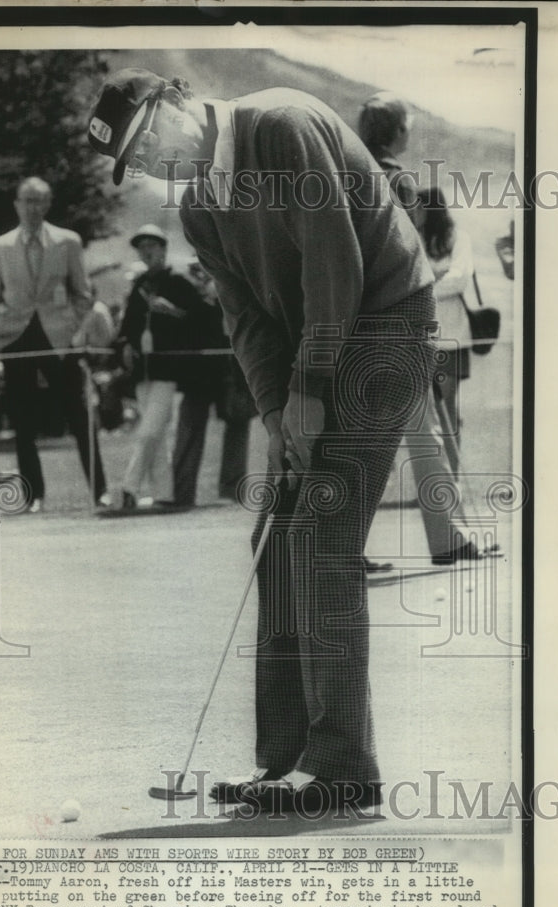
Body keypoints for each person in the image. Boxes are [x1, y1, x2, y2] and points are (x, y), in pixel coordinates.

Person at [89, 69, 438, 814]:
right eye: (134, 160)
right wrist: (278, 409)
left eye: (148, 139)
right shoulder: (201, 207)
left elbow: (333, 260)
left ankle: (343, 766)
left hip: (384, 329)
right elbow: (244, 317)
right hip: (314, 350)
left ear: (178, 101)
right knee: (277, 544)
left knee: (321, 540)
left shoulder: (279, 123)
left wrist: (310, 384)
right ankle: (288, 763)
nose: (150, 162)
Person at [359, 92, 487, 564]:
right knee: (422, 432)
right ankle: (447, 538)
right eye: (407, 124)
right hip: (398, 322)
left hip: (353, 322)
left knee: (366, 439)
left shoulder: (343, 175)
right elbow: (405, 260)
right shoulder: (397, 181)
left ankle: (346, 543)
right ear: (397, 131)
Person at [0, 177, 110, 513]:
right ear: (17, 205)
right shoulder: (1, 246)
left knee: (79, 415)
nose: (33, 207)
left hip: (59, 338)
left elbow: (83, 293)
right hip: (17, 338)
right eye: (27, 200)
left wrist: (73, 329)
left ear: (48, 204)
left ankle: (100, 491)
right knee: (23, 419)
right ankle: (33, 495)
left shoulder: (68, 242)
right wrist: (1, 325)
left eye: (40, 201)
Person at [112, 224, 205, 510]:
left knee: (149, 431)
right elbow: (126, 327)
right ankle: (165, 494)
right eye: (143, 248)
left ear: (163, 249)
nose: (147, 252)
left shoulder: (179, 282)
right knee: (157, 434)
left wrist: (173, 312)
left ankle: (128, 488)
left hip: (169, 368)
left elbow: (201, 320)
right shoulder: (139, 285)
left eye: (152, 246)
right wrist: (126, 345)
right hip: (144, 369)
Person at [413, 186, 475, 476]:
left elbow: (460, 278)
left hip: (452, 336)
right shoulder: (415, 238)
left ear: (431, 210)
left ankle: (453, 476)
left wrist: (426, 287)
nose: (414, 212)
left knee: (446, 407)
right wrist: (435, 279)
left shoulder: (458, 238)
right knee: (427, 412)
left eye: (419, 207)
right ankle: (436, 480)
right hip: (423, 336)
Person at [185, 258, 255, 502]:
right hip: (205, 368)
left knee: (237, 420)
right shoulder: (196, 297)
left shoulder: (235, 287)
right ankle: (184, 491)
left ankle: (232, 488)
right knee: (193, 425)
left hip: (234, 364)